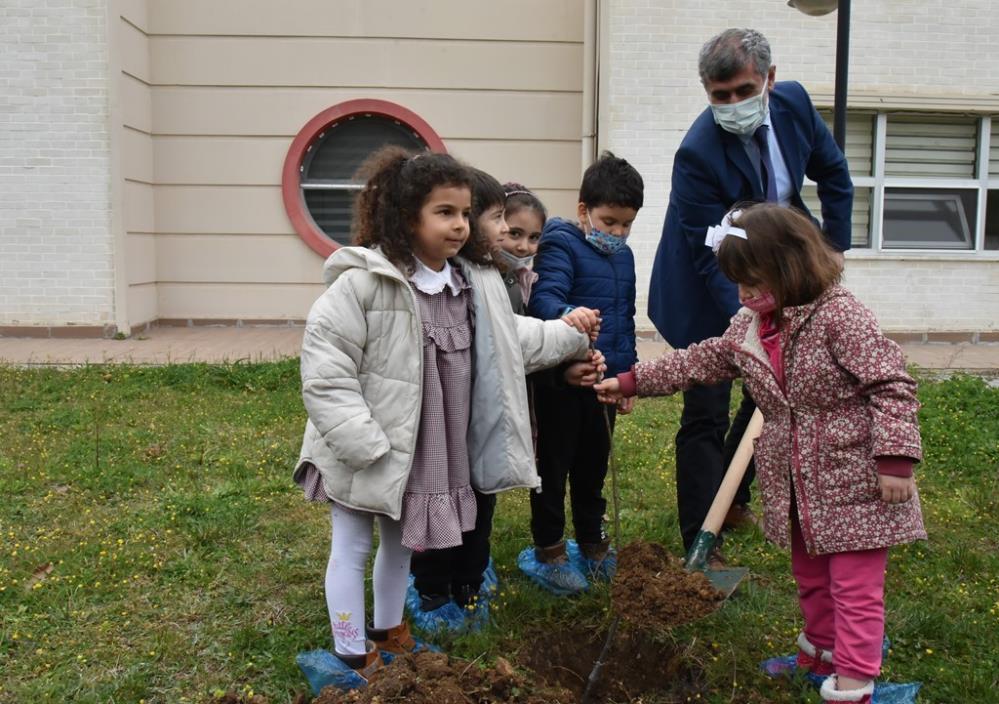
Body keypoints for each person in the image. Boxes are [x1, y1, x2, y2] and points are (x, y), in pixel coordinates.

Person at [596, 203, 925, 704]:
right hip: (796, 481)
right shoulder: (753, 323)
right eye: (738, 282)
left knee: (854, 590)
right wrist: (632, 380)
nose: (745, 293)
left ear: (791, 264)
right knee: (812, 576)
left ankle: (855, 684)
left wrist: (895, 459)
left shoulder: (839, 315)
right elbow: (703, 359)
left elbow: (891, 383)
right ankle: (818, 656)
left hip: (853, 477)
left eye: (753, 279)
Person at [293, 147, 596, 690]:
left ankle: (389, 632)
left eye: (463, 213)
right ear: (407, 215)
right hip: (364, 450)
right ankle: (349, 650)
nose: (459, 225)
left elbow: (514, 339)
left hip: (426, 450)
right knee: (353, 546)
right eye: (444, 213)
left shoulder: (468, 285)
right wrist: (363, 445)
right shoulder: (364, 285)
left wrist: (572, 335)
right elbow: (326, 372)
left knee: (401, 545)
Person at [646, 27, 854, 557]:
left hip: (779, 269)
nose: (733, 104)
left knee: (773, 392)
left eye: (744, 91)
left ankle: (733, 495)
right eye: (720, 96)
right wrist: (751, 323)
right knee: (707, 410)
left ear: (769, 79)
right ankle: (701, 534)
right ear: (707, 92)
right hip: (707, 287)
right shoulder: (697, 154)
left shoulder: (795, 105)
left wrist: (833, 251)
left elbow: (834, 175)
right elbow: (707, 255)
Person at [405, 169, 604, 633]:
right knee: (440, 510)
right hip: (443, 423)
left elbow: (521, 340)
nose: (507, 235)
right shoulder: (456, 275)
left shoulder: (499, 277)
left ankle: (469, 585)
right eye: (500, 221)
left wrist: (570, 341)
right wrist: (567, 340)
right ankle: (433, 591)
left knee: (480, 504)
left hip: (485, 418)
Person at [519, 152, 643, 595]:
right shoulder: (560, 244)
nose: (618, 233)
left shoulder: (624, 259)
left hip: (605, 385)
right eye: (609, 221)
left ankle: (593, 545)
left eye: (626, 224)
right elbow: (543, 302)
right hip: (563, 383)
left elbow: (625, 319)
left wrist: (628, 377)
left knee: (593, 469)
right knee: (554, 469)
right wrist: (571, 317)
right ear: (583, 211)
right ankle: (550, 550)